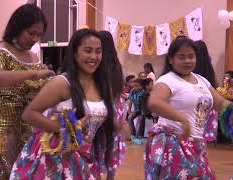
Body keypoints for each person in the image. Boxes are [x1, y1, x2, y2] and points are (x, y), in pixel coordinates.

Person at [10, 29, 115, 179]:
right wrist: (65, 129)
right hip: (55, 159)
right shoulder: (62, 83)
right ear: (75, 53)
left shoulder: (104, 86)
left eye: (98, 51)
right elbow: (29, 114)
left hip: (85, 157)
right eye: (88, 51)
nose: (94, 56)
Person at [0, 4, 54, 179]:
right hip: (1, 127)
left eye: (39, 35)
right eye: (31, 33)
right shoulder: (1, 51)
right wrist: (35, 73)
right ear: (18, 28)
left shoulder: (34, 57)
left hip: (28, 127)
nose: (35, 39)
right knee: (0, 174)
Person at [146, 36, 231, 179]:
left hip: (197, 144)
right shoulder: (167, 80)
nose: (187, 61)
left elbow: (220, 103)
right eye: (182, 57)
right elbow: (154, 102)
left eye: (191, 56)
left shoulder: (201, 80)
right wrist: (182, 119)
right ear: (171, 59)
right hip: (174, 144)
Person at [98, 30, 130, 179]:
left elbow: (105, 90)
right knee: (111, 145)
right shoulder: (116, 64)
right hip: (117, 108)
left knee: (98, 144)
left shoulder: (99, 64)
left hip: (104, 106)